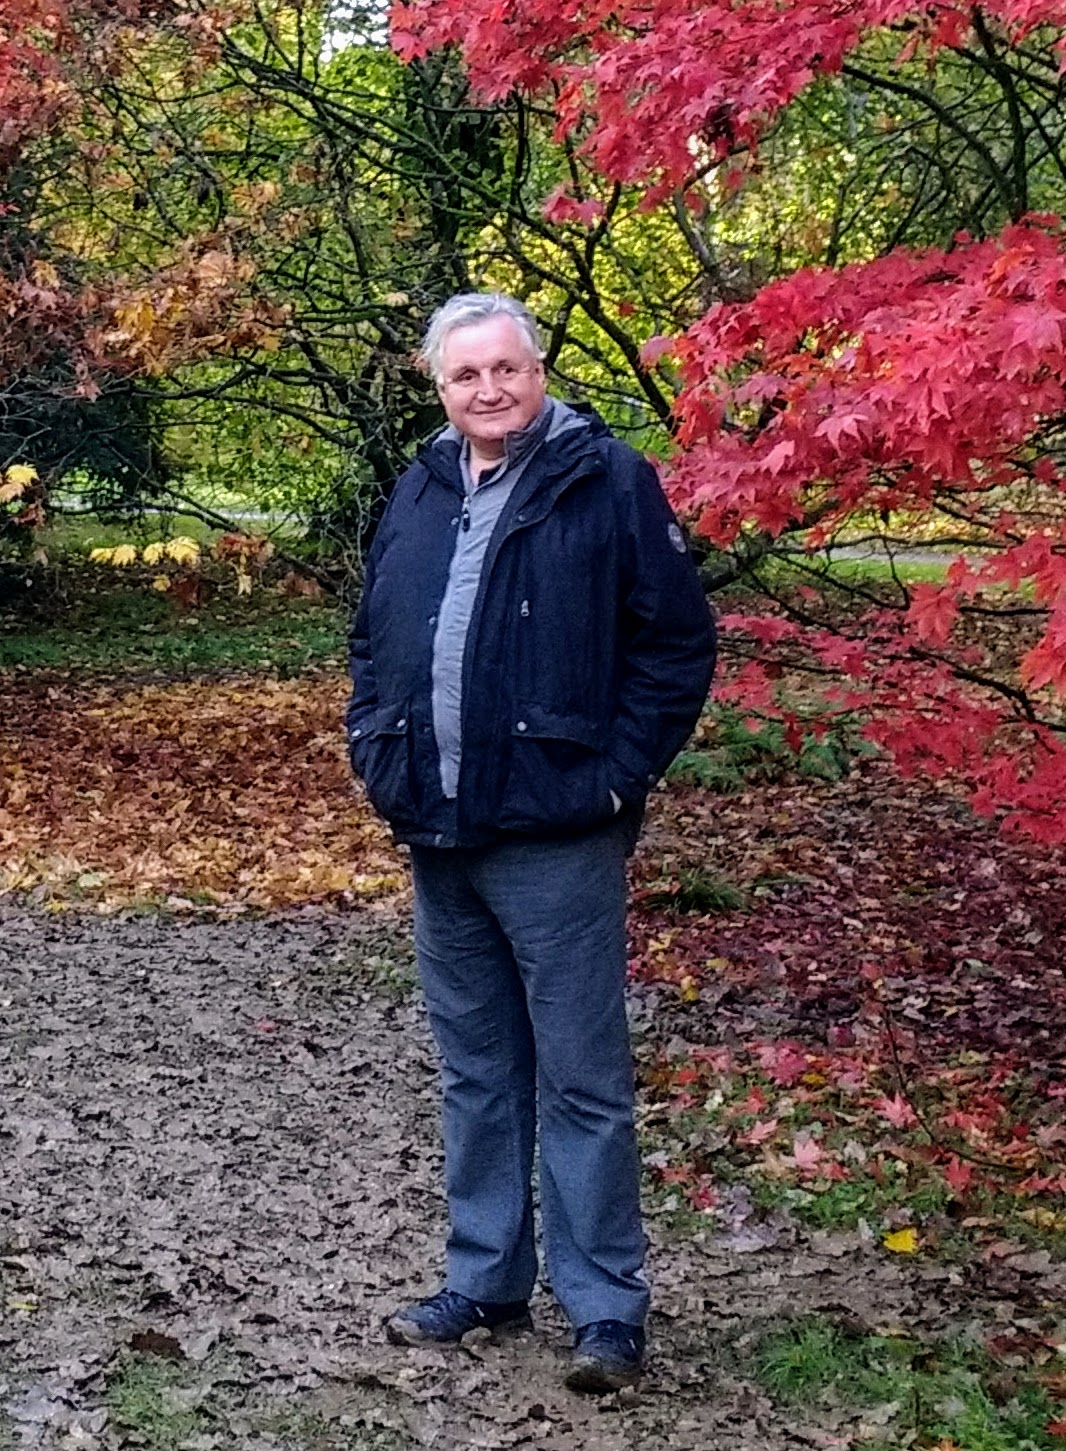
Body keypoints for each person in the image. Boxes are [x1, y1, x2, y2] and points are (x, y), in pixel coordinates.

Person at [346, 292, 715, 1393]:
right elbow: (374, 637)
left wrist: (613, 778)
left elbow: (676, 644)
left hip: (556, 831)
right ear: (439, 385)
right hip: (438, 826)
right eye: (466, 376)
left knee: (583, 1079)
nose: (488, 389)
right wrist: (378, 747)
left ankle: (605, 1307)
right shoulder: (417, 486)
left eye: (506, 368)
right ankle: (487, 1278)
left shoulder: (606, 481)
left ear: (537, 368)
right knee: (475, 1071)